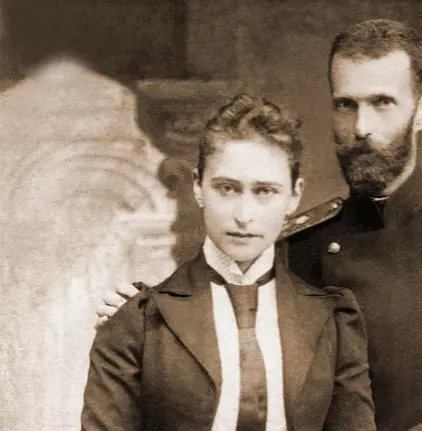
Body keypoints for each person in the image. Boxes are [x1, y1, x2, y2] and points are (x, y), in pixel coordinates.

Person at [97, 19, 422, 431]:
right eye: (346, 104)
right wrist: (147, 316)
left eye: (382, 103)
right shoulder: (299, 245)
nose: (361, 127)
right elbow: (224, 322)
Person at [82, 94, 376, 431]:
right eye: (227, 188)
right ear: (198, 187)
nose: (244, 215)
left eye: (264, 191)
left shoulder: (333, 321)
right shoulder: (139, 321)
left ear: (294, 195)